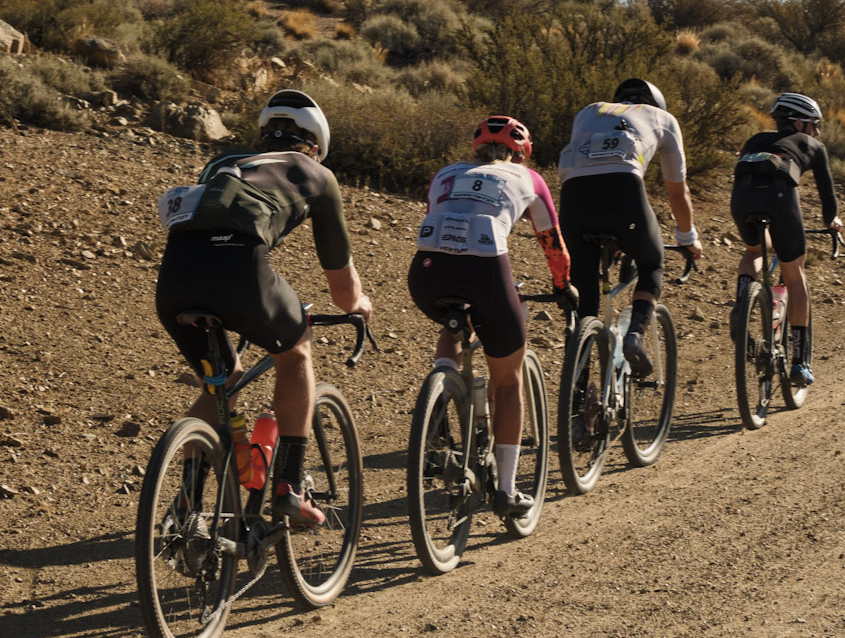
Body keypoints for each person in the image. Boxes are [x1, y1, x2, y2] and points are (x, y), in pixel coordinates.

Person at [153, 89, 373, 530]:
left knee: (221, 382)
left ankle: (187, 504)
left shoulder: (221, 163)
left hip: (176, 278)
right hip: (241, 272)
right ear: (315, 144)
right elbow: (341, 285)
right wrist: (359, 304)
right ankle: (289, 486)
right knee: (295, 353)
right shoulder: (318, 174)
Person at [406, 115, 575, 518]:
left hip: (427, 273)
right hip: (486, 271)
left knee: (454, 321)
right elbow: (553, 245)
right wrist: (563, 285)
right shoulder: (530, 179)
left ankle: (442, 388)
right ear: (522, 153)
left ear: (476, 148)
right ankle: (506, 490)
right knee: (508, 381)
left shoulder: (445, 174)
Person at [556, 78, 702, 381]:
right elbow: (678, 191)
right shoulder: (663, 118)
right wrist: (687, 238)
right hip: (624, 192)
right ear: (656, 104)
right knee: (652, 263)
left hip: (574, 199)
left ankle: (578, 391)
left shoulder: (589, 111)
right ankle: (634, 336)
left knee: (584, 297)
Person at [730, 92, 841, 388]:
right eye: (814, 124)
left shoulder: (754, 140)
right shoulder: (812, 145)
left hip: (742, 197)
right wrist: (831, 221)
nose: (818, 132)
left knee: (754, 250)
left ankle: (742, 304)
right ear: (799, 123)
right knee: (794, 273)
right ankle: (799, 363)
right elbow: (828, 196)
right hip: (780, 198)